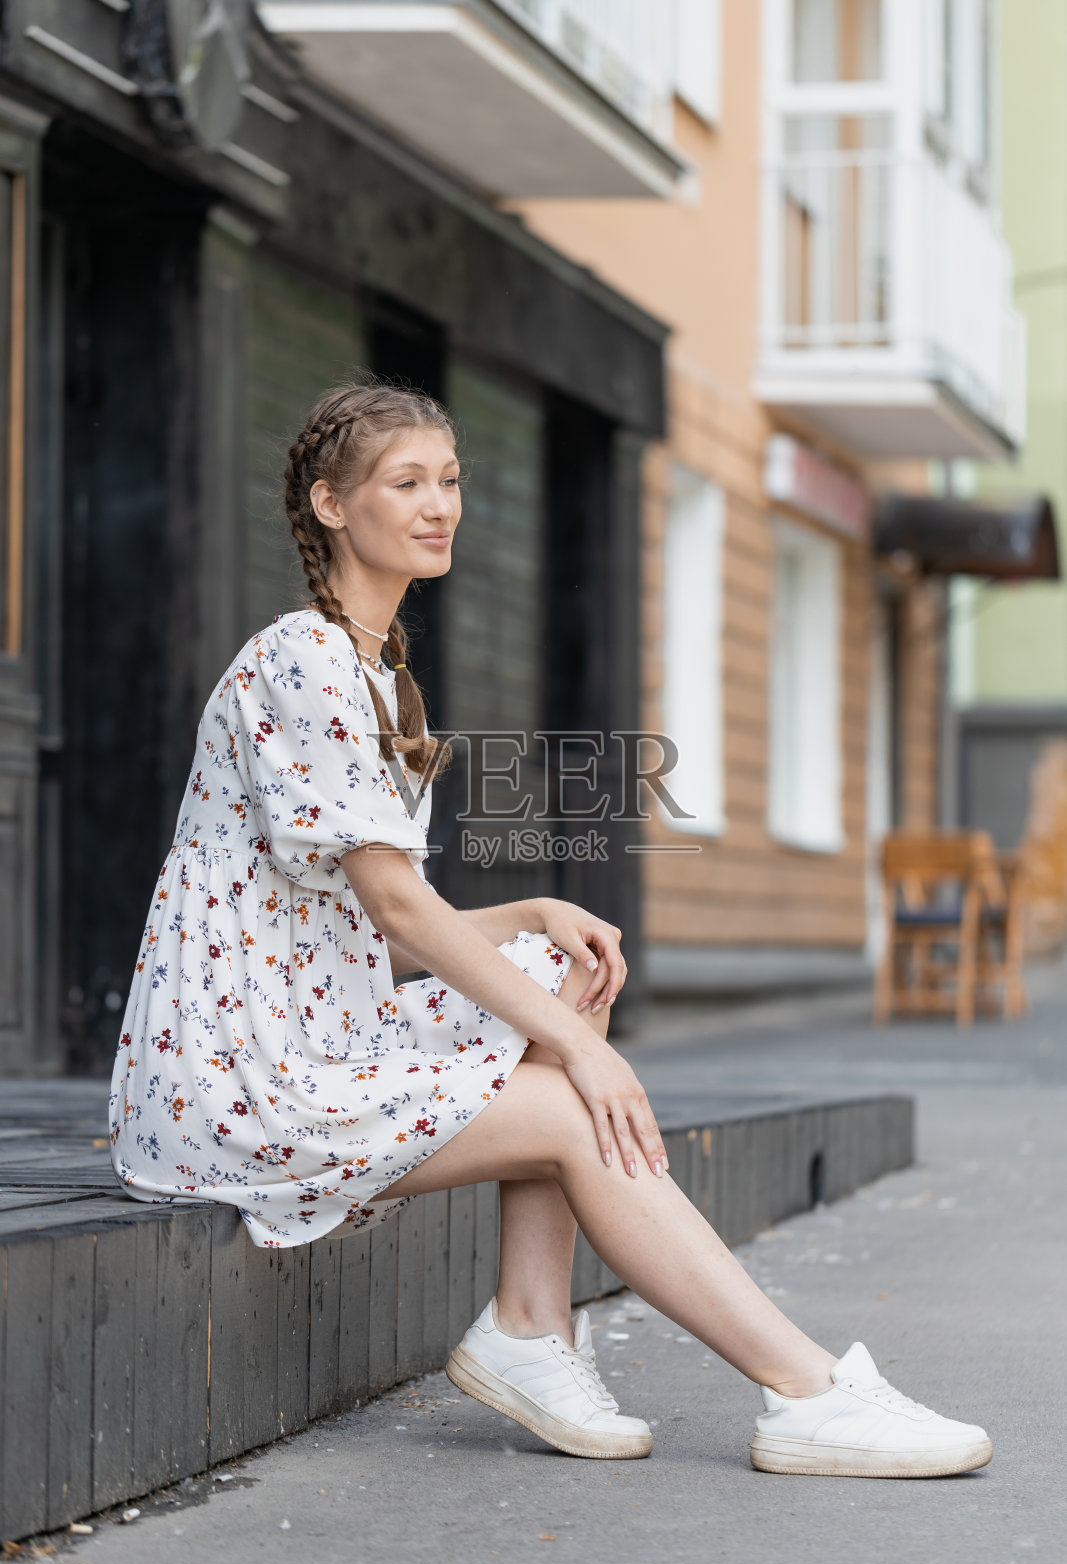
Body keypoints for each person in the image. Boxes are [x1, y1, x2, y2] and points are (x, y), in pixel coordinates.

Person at [110, 379, 992, 1479]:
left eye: (450, 481)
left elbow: (351, 930)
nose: (439, 506)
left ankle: (530, 1321)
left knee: (559, 966)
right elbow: (394, 906)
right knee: (574, 1099)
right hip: (239, 1076)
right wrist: (580, 1051)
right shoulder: (305, 658)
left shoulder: (377, 672)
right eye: (406, 483)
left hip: (309, 1023)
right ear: (331, 505)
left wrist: (531, 915)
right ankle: (801, 1390)